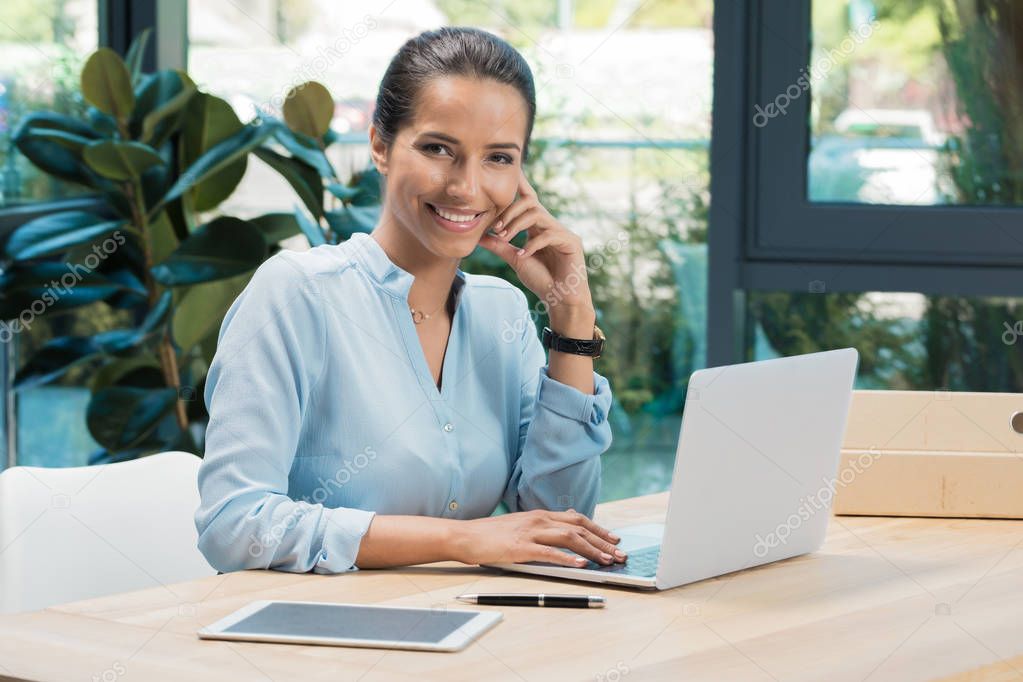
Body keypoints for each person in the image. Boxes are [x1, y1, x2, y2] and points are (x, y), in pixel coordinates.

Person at [194, 26, 625, 575]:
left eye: (497, 158)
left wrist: (572, 319)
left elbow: (556, 524)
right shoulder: (297, 296)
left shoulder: (503, 313)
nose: (466, 188)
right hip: (317, 642)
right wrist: (458, 540)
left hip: (470, 627)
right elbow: (235, 525)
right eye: (438, 149)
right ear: (379, 145)